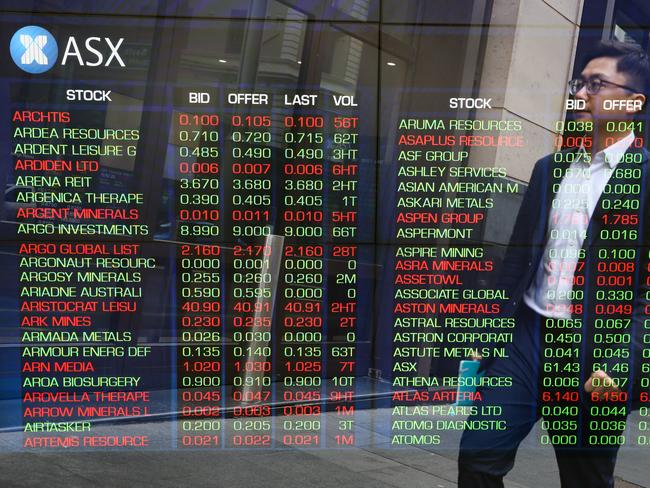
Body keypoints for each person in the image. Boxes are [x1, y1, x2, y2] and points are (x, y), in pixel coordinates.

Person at [457, 40, 650, 488]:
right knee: (478, 457)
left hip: (595, 352)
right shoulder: (550, 168)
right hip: (526, 336)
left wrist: (622, 363)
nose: (581, 93)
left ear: (634, 103)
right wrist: (487, 336)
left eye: (597, 84)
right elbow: (515, 262)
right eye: (579, 82)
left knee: (584, 478)